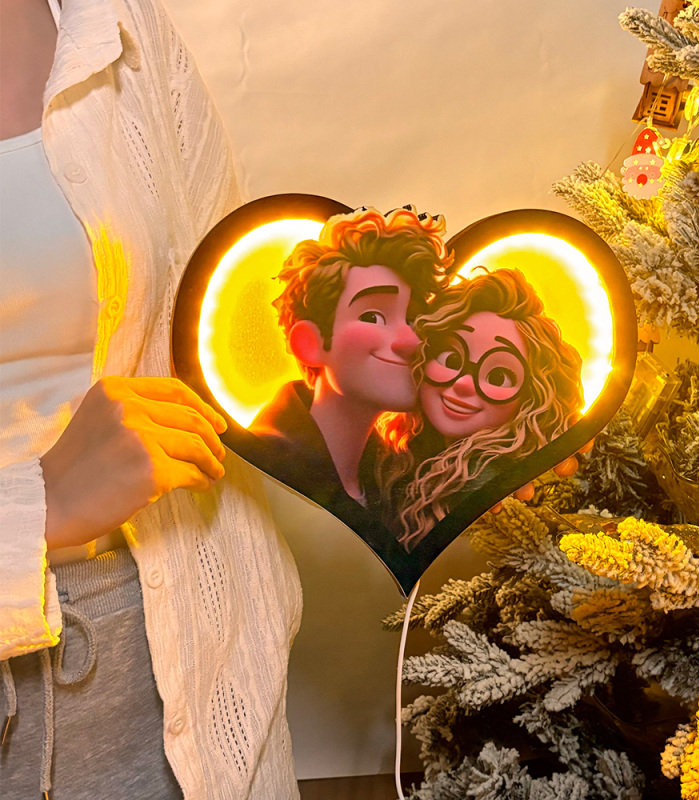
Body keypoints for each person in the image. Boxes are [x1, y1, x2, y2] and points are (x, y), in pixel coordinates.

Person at [0, 0, 302, 797]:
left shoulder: (119, 20)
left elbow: (228, 331)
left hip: (190, 675)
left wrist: (439, 432)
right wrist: (37, 508)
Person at [249, 206, 451, 536]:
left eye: (413, 319)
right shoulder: (257, 469)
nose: (411, 341)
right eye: (373, 317)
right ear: (310, 343)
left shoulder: (398, 478)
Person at [381, 268, 584, 550]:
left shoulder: (483, 480)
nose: (464, 384)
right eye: (452, 359)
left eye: (498, 377)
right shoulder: (390, 446)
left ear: (529, 399)